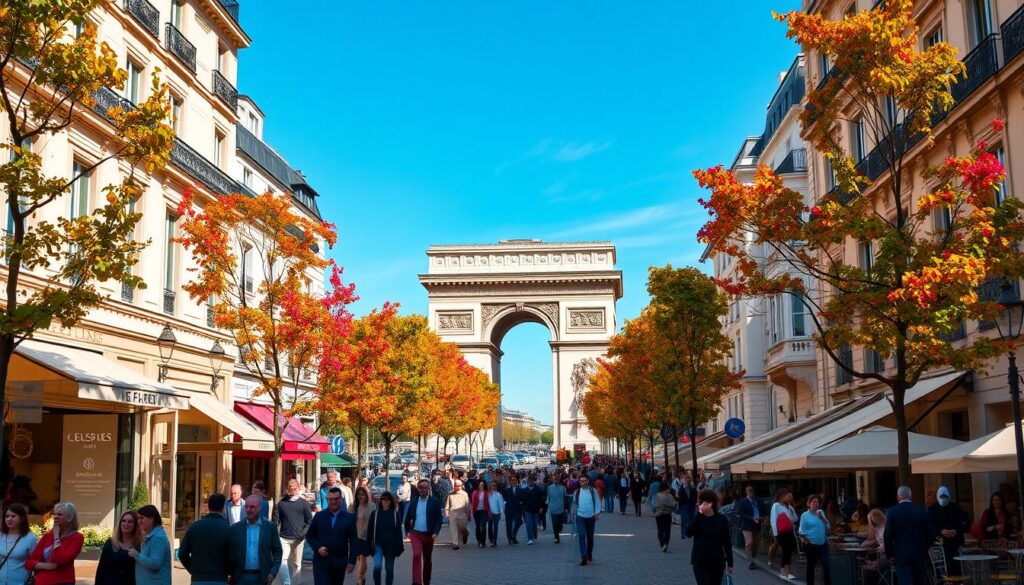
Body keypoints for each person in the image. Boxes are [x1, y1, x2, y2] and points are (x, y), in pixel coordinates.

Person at [306, 487, 356, 585]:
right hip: (321, 562)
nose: (333, 502)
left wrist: (352, 561)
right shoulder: (319, 516)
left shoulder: (349, 518)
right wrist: (318, 547)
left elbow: (354, 541)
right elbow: (310, 536)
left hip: (339, 562)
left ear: (341, 499)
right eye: (330, 499)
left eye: (336, 499)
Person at [179, 493, 233, 585]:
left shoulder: (194, 527)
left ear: (208, 507)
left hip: (198, 579)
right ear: (223, 508)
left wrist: (193, 570)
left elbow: (182, 554)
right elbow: (233, 557)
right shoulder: (228, 529)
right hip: (220, 579)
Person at [884, 486, 933, 585]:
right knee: (918, 580)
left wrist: (889, 554)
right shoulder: (921, 511)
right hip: (919, 552)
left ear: (898, 497)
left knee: (904, 580)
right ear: (911, 497)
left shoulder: (892, 512)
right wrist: (925, 548)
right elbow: (930, 532)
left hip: (900, 553)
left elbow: (888, 535)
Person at [26, 502, 84, 585]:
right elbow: (30, 562)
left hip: (63, 581)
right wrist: (41, 565)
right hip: (42, 581)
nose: (55, 517)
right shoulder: (47, 536)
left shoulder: (76, 537)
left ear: (70, 518)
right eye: (54, 514)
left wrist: (56, 536)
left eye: (60, 515)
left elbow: (60, 560)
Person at [231, 495, 283, 585]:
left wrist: (273, 573)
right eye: (246, 507)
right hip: (240, 577)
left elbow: (277, 551)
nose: (248, 510)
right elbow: (230, 552)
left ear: (259, 508)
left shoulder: (270, 528)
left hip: (262, 577)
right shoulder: (236, 528)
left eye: (252, 507)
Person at [686, 489, 733, 585]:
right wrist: (699, 514)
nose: (697, 503)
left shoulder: (721, 519)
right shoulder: (698, 518)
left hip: (717, 561)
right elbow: (688, 533)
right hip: (700, 561)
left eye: (699, 501)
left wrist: (730, 562)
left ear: (709, 503)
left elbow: (727, 542)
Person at [274, 479, 312, 585]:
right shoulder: (281, 503)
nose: (291, 489)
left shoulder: (303, 503)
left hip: (299, 538)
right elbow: (276, 520)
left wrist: (303, 533)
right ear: (286, 488)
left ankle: (295, 583)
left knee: (296, 564)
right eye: (289, 487)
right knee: (282, 560)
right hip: (284, 537)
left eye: (294, 487)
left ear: (298, 488)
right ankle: (287, 582)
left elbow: (309, 521)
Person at [404, 479, 442, 585]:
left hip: (429, 535)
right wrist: (407, 531)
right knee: (416, 555)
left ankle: (426, 581)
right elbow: (407, 518)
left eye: (425, 487)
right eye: (420, 487)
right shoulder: (414, 501)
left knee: (427, 559)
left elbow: (439, 519)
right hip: (416, 533)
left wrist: (435, 532)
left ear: (428, 489)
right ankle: (416, 581)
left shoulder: (434, 501)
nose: (422, 490)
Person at [928, 486, 968, 576]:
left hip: (955, 543)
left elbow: (964, 523)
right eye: (941, 497)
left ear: (948, 497)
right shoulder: (932, 509)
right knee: (944, 568)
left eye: (945, 497)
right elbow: (929, 526)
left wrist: (956, 531)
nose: (943, 499)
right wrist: (941, 531)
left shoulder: (956, 508)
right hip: (940, 544)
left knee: (956, 566)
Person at [367, 492, 403, 585]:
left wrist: (400, 547)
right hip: (378, 544)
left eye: (387, 499)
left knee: (389, 568)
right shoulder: (375, 514)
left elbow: (398, 532)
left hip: (391, 545)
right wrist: (369, 546)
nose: (385, 501)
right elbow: (370, 531)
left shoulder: (395, 514)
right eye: (383, 499)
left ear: (391, 501)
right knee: (377, 567)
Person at [132, 505, 171, 585]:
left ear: (152, 518)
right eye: (138, 518)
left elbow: (155, 563)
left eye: (141, 518)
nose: (138, 521)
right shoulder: (150, 535)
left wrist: (136, 555)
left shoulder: (158, 537)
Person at [0, 503, 38, 585]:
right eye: (7, 516)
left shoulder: (30, 538)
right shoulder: (1, 536)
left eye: (13, 516)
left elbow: (35, 561)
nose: (9, 519)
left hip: (20, 581)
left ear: (22, 518)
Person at [798, 494, 831, 585]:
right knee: (811, 565)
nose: (816, 504)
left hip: (822, 544)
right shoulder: (805, 515)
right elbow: (801, 531)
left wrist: (821, 518)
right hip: (811, 544)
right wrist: (805, 541)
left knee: (826, 564)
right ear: (809, 504)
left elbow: (828, 526)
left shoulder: (821, 512)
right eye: (813, 502)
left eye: (817, 502)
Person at [571, 474, 600, 566]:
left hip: (591, 517)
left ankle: (589, 553)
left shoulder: (593, 491)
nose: (582, 483)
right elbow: (574, 503)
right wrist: (573, 512)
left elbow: (597, 502)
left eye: (584, 481)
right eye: (581, 481)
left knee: (590, 537)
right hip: (580, 516)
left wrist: (597, 513)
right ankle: (583, 557)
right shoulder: (577, 492)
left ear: (588, 481)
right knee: (582, 536)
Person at [350, 487, 375, 585]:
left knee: (362, 556)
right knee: (359, 558)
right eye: (359, 494)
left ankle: (360, 579)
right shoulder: (355, 506)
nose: (360, 496)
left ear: (366, 495)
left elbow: (373, 522)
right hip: (356, 535)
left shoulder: (371, 505)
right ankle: (362, 577)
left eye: (362, 494)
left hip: (366, 536)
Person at [737, 485, 765, 570]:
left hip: (757, 524)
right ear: (746, 492)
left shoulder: (759, 500)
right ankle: (751, 562)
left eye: (751, 490)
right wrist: (752, 518)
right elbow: (740, 514)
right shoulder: (743, 502)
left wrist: (763, 517)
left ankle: (751, 556)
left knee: (756, 544)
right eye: (748, 490)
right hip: (747, 525)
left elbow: (764, 511)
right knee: (749, 542)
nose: (750, 492)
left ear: (754, 491)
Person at [444, 480, 470, 550]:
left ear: (461, 486)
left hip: (462, 515)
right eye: (456, 486)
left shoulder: (464, 494)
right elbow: (447, 504)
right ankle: (455, 543)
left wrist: (468, 513)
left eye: (459, 486)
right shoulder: (450, 494)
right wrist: (446, 511)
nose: (457, 487)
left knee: (462, 529)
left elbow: (467, 505)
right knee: (453, 529)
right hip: (453, 514)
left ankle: (466, 534)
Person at [653, 482, 676, 552]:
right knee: (667, 530)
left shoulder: (657, 495)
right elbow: (673, 505)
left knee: (660, 530)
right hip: (667, 514)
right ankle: (666, 543)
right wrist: (668, 506)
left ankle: (662, 544)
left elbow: (655, 506)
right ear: (666, 488)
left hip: (659, 515)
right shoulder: (670, 496)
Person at [469, 477, 491, 548]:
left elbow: (489, 503)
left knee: (483, 525)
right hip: (476, 511)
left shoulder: (487, 493)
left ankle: (483, 541)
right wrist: (471, 512)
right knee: (478, 526)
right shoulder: (474, 493)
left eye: (483, 485)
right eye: (480, 484)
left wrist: (490, 512)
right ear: (478, 485)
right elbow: (472, 503)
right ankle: (479, 540)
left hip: (484, 511)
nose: (481, 486)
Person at [522, 477, 544, 545]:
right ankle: (530, 538)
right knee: (529, 524)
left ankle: (534, 535)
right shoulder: (524, 490)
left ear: (533, 481)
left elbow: (541, 498)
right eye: (529, 480)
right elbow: (522, 500)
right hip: (527, 509)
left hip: (536, 509)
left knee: (534, 524)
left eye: (531, 480)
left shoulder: (538, 489)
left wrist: (541, 507)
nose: (530, 482)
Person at [502, 479, 525, 544]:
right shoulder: (507, 490)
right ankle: (510, 539)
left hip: (518, 510)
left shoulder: (520, 490)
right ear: (510, 482)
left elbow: (523, 499)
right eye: (512, 480)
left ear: (517, 482)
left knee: (519, 522)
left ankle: (513, 534)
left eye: (515, 480)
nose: (514, 481)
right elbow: (504, 498)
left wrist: (521, 504)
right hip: (509, 509)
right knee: (508, 525)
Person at [546, 474, 566, 544]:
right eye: (554, 479)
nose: (555, 480)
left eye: (557, 479)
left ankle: (560, 528)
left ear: (559, 480)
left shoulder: (563, 488)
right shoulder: (549, 487)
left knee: (560, 523)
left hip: (561, 508)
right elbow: (548, 497)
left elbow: (564, 498)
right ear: (552, 480)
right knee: (554, 524)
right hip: (553, 508)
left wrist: (566, 507)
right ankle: (556, 537)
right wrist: (548, 505)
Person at [485, 482, 504, 547]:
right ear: (489, 487)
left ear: (496, 487)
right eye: (491, 486)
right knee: (490, 526)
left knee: (495, 526)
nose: (493, 487)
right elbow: (486, 504)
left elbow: (501, 505)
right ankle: (490, 539)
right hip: (489, 513)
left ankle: (494, 540)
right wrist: (488, 511)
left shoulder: (499, 495)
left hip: (497, 513)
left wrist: (502, 514)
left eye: (494, 486)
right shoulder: (487, 494)